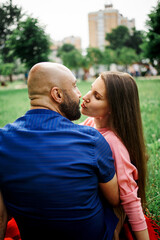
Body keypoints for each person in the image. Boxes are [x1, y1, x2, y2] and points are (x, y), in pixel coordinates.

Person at [0, 62, 119, 240]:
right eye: (74, 86)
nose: (80, 94)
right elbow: (115, 199)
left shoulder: (2, 139)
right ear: (57, 94)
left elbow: (2, 218)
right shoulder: (91, 139)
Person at [81, 71, 150, 240]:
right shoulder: (90, 123)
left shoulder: (113, 143)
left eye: (97, 96)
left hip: (103, 212)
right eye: (90, 90)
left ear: (113, 108)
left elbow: (130, 199)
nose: (85, 97)